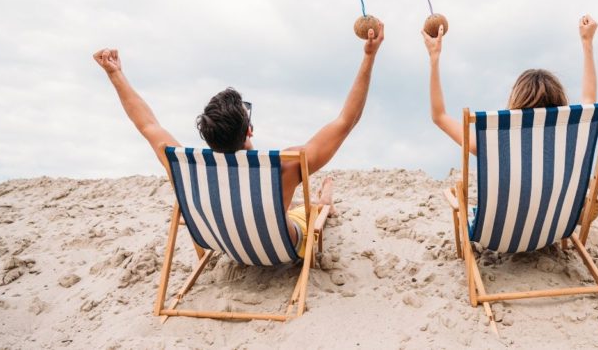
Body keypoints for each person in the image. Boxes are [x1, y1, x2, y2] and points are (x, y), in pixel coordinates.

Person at [93, 23, 384, 258]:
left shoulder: (184, 164)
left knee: (281, 204)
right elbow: (346, 121)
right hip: (279, 248)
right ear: (249, 131)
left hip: (225, 245)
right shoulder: (286, 165)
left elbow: (146, 124)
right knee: (309, 212)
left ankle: (317, 204)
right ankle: (323, 205)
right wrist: (369, 56)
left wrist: (115, 73)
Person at [422, 14, 598, 155]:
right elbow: (589, 98)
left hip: (507, 202)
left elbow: (439, 116)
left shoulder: (496, 143)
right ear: (559, 99)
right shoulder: (572, 135)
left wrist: (434, 59)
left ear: (516, 99)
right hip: (563, 202)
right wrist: (587, 42)